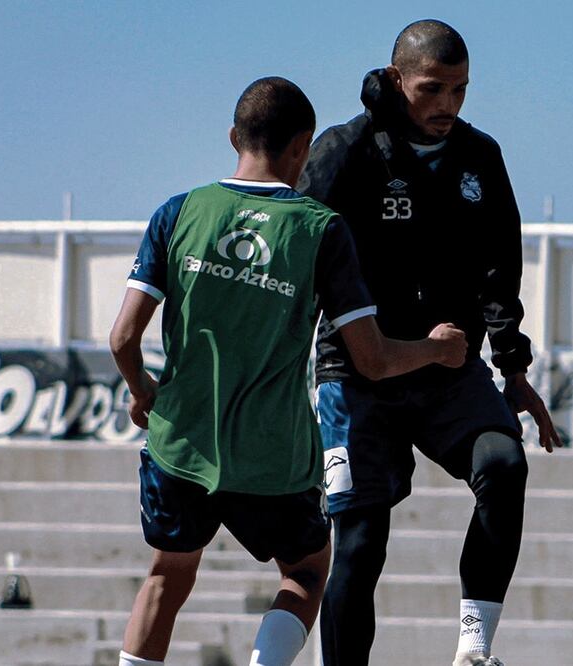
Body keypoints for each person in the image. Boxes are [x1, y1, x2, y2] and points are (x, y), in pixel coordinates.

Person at [109, 76, 467, 666]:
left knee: (166, 578)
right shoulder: (319, 229)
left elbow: (124, 337)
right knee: (306, 572)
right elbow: (372, 359)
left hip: (183, 442)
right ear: (303, 147)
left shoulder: (178, 212)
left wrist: (142, 390)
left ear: (233, 136)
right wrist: (435, 348)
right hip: (273, 456)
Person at [298, 20, 563, 666]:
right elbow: (296, 264)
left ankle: (473, 648)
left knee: (503, 463)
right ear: (395, 81)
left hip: (448, 363)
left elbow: (500, 270)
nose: (447, 105)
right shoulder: (344, 151)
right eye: (432, 89)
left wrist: (514, 369)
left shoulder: (479, 157)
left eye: (460, 91)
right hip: (357, 373)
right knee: (360, 543)